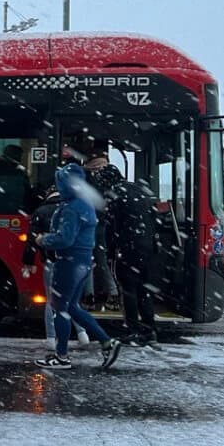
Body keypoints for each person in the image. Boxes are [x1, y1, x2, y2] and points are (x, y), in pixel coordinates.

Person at [33, 163, 122, 370]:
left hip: (69, 262)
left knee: (59, 308)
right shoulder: (84, 203)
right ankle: (106, 341)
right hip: (82, 262)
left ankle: (62, 356)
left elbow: (65, 239)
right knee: (72, 307)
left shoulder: (72, 207)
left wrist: (43, 239)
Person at [22, 186, 91, 352]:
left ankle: (51, 339)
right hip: (73, 262)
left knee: (51, 301)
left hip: (52, 261)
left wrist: (28, 262)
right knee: (72, 300)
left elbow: (32, 240)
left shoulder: (41, 211)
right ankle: (82, 334)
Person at [108, 179, 162, 347]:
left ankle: (133, 330)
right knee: (144, 290)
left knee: (129, 290)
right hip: (147, 250)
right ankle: (149, 330)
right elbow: (155, 224)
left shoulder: (117, 197)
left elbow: (113, 227)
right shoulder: (144, 197)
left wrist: (111, 251)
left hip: (128, 249)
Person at [83, 142, 124, 308]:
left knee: (86, 258)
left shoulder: (87, 175)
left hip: (88, 222)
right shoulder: (114, 173)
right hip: (108, 223)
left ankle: (89, 296)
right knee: (102, 259)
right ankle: (113, 293)